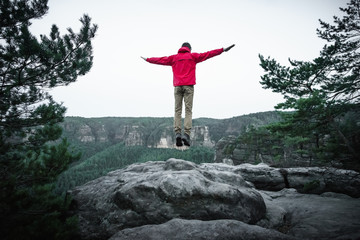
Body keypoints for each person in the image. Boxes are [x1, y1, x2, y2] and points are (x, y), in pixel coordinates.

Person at [141, 42, 235, 147]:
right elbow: (208, 54)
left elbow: (160, 60)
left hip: (177, 87)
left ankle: (177, 134)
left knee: (177, 110)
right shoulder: (192, 56)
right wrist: (222, 49)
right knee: (188, 110)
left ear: (181, 48)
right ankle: (186, 134)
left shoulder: (174, 58)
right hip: (189, 86)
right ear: (189, 49)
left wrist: (148, 59)